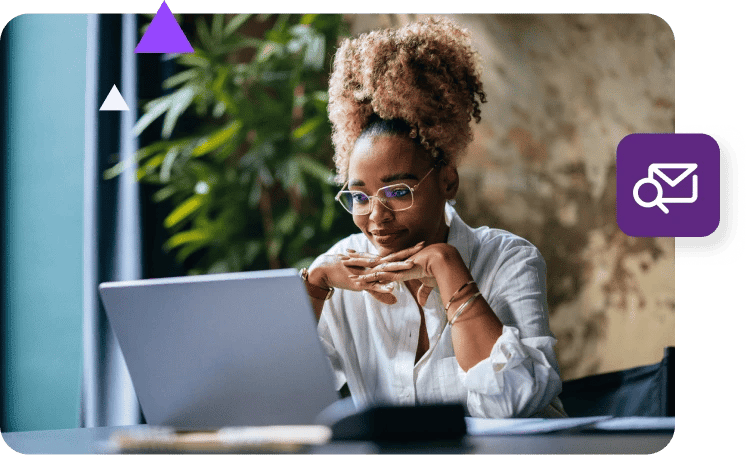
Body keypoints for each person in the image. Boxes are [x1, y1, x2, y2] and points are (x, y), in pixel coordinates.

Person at [300, 17, 567, 418]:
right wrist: (316, 285)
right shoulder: (344, 268)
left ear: (447, 182)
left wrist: (448, 268)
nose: (377, 217)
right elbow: (271, 395)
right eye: (359, 196)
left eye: (398, 192)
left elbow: (511, 404)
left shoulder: (509, 260)